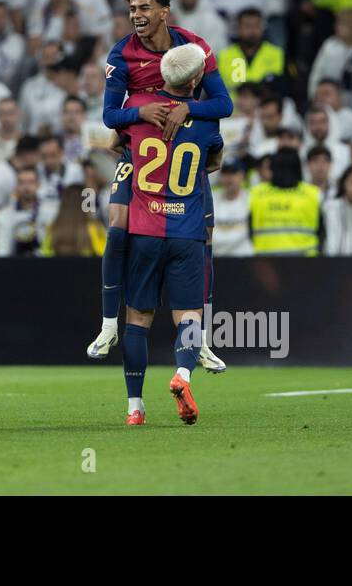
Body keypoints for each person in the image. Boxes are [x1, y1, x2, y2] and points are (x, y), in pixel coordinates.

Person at [90, 0, 232, 376]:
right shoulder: (122, 55)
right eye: (132, 7)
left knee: (203, 235)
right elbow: (109, 117)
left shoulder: (194, 48)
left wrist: (186, 110)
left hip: (181, 152)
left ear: (165, 11)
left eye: (145, 7)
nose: (137, 14)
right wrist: (143, 112)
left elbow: (224, 103)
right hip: (137, 153)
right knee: (117, 228)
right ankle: (107, 326)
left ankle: (199, 341)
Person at [117, 43, 224, 427]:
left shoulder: (139, 109)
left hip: (144, 230)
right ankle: (183, 374)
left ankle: (134, 407)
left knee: (137, 318)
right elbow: (214, 161)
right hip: (187, 232)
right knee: (189, 316)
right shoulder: (208, 121)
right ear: (196, 79)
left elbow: (117, 144)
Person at [248, 148, 323, 256]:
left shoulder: (257, 193)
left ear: (272, 169)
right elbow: (321, 232)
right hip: (305, 264)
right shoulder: (312, 193)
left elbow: (249, 230)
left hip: (265, 262)